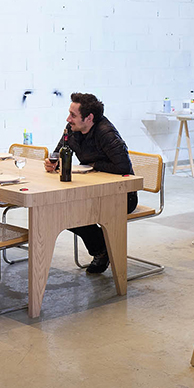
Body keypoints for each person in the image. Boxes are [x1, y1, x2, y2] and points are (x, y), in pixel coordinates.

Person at [45, 92, 137, 274]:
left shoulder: (106, 133)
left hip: (121, 196)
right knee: (61, 211)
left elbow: (123, 166)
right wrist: (53, 163)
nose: (68, 119)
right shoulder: (72, 129)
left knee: (70, 212)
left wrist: (92, 165)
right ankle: (103, 247)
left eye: (73, 115)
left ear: (89, 118)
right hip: (93, 191)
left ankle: (102, 250)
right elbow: (59, 152)